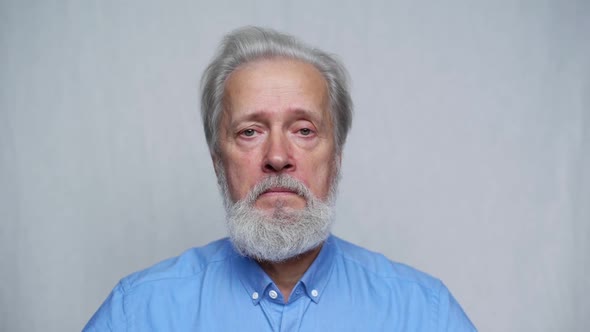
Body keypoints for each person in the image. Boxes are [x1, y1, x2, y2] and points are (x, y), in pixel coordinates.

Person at [84, 26, 476, 331]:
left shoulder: (425, 313)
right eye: (250, 131)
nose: (276, 157)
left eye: (303, 130)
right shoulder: (136, 313)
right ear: (218, 160)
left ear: (336, 158)